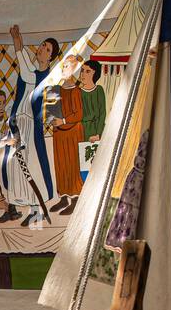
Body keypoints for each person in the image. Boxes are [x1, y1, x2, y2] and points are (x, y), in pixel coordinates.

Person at [9, 27, 59, 204]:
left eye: (47, 49)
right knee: (17, 160)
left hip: (29, 123)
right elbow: (25, 64)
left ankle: (35, 199)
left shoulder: (45, 76)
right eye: (42, 45)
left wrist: (17, 41)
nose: (41, 49)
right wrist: (18, 40)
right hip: (20, 120)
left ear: (50, 57)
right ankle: (19, 197)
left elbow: (24, 67)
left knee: (30, 159)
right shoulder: (34, 71)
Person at [51, 53, 85, 215]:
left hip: (72, 133)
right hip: (59, 134)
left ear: (74, 69)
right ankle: (63, 197)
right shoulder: (56, 90)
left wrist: (63, 121)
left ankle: (76, 199)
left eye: (67, 66)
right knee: (60, 165)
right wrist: (50, 118)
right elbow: (50, 110)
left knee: (73, 165)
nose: (63, 69)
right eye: (63, 66)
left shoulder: (76, 91)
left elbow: (78, 114)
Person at [80, 59, 106, 142]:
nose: (83, 74)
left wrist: (98, 134)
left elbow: (102, 113)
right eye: (82, 70)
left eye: (87, 71)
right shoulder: (78, 92)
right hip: (82, 130)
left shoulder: (99, 90)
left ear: (95, 74)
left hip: (97, 129)